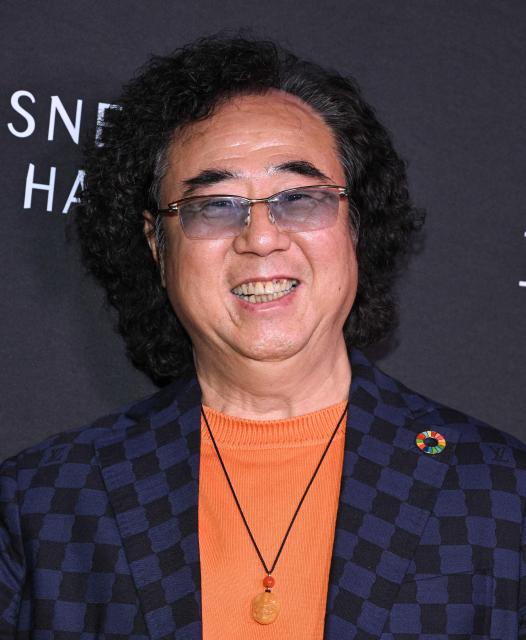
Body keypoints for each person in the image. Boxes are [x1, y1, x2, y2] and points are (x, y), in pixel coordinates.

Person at [1, 35, 525, 640]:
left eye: (299, 199)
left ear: (355, 224)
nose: (261, 237)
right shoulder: (43, 504)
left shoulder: (501, 494)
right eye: (215, 205)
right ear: (156, 244)